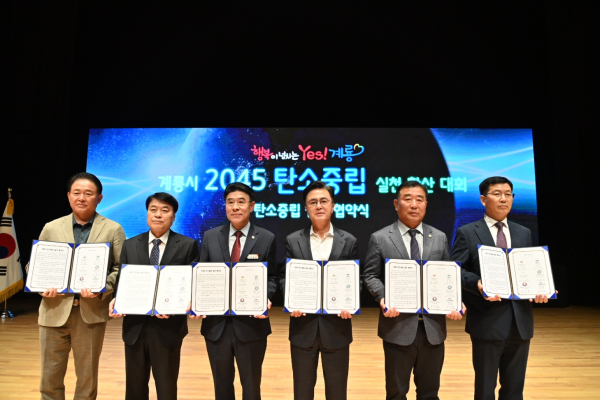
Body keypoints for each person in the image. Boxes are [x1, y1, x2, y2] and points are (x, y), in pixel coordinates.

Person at [451, 176, 551, 400]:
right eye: (497, 194)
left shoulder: (523, 232)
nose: (503, 199)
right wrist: (477, 284)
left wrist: (540, 288)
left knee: (514, 390)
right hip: (487, 321)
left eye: (508, 194)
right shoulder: (468, 232)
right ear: (483, 199)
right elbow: (456, 269)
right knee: (485, 389)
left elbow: (529, 269)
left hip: (521, 321)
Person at [363, 180, 463, 400]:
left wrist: (456, 300)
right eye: (407, 199)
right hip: (397, 326)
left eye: (420, 199)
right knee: (397, 392)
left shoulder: (439, 237)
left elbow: (448, 274)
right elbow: (370, 275)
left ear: (426, 204)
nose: (414, 204)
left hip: (433, 328)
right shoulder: (380, 237)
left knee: (430, 392)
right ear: (396, 204)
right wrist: (383, 297)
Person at [34, 172, 126, 400]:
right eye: (76, 193)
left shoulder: (113, 229)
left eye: (88, 193)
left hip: (90, 313)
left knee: (87, 379)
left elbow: (121, 267)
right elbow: (35, 263)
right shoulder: (51, 227)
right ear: (68, 196)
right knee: (49, 378)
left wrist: (103, 286)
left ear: (99, 198)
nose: (82, 198)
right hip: (53, 310)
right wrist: (40, 283)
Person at [109, 192, 199, 400]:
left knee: (166, 387)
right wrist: (117, 299)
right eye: (153, 210)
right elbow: (123, 279)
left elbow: (192, 284)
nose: (158, 214)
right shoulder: (130, 244)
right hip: (135, 327)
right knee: (135, 388)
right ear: (147, 213)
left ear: (173, 216)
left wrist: (180, 306)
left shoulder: (187, 245)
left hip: (168, 327)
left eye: (165, 210)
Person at [192, 182, 277, 400]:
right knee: (221, 386)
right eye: (230, 202)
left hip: (251, 325)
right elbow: (202, 274)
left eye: (241, 202)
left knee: (251, 386)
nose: (235, 207)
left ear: (252, 206)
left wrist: (266, 297)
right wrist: (197, 300)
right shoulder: (210, 236)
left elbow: (272, 277)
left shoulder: (266, 237)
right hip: (216, 326)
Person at [280, 181, 359, 400]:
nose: (319, 206)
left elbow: (355, 279)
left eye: (324, 201)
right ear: (306, 208)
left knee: (337, 392)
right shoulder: (293, 240)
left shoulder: (349, 240)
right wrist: (291, 301)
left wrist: (351, 303)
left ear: (333, 206)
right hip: (303, 327)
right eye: (313, 202)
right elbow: (286, 277)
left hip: (337, 328)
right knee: (302, 393)